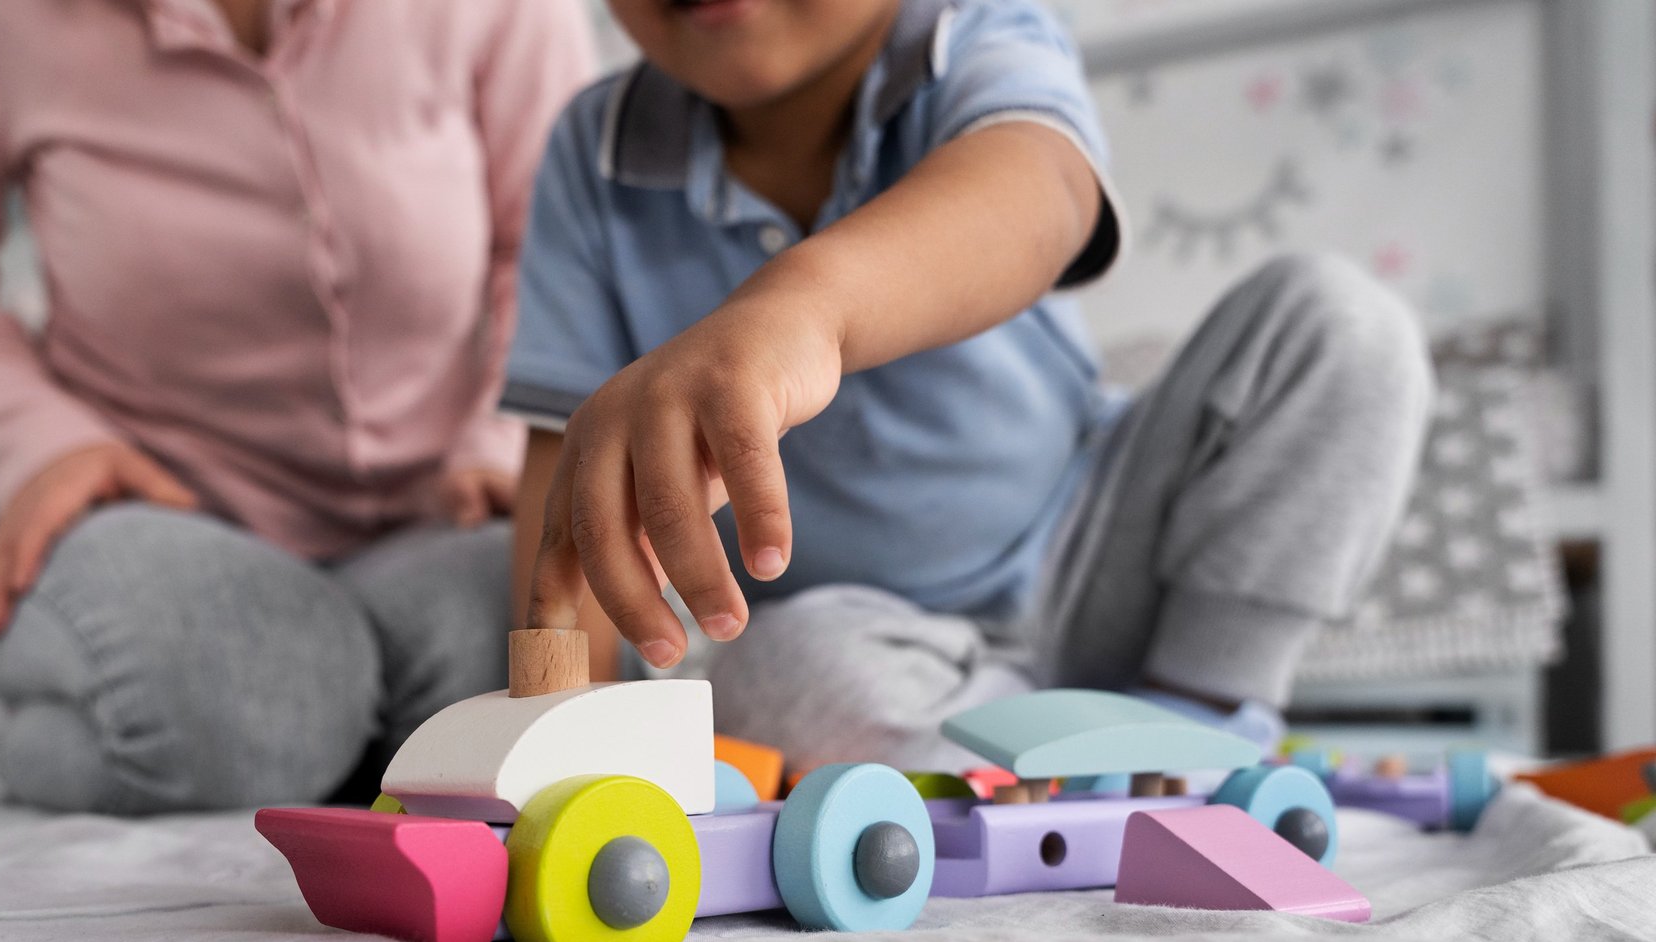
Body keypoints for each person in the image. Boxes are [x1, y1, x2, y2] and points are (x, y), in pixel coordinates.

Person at [506, 0, 1429, 771]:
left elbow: (1043, 193)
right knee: (775, 679)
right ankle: (1057, 751)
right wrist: (560, 752)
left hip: (1096, 544)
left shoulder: (973, 34)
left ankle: (1204, 721)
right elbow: (570, 489)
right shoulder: (595, 152)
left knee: (1339, 323)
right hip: (862, 634)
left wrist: (803, 311)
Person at [0, 0, 593, 811]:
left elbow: (560, 237)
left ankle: (304, 741)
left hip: (428, 513)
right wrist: (45, 443)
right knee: (253, 687)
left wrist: (500, 438)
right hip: (148, 512)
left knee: (492, 653)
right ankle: (274, 734)